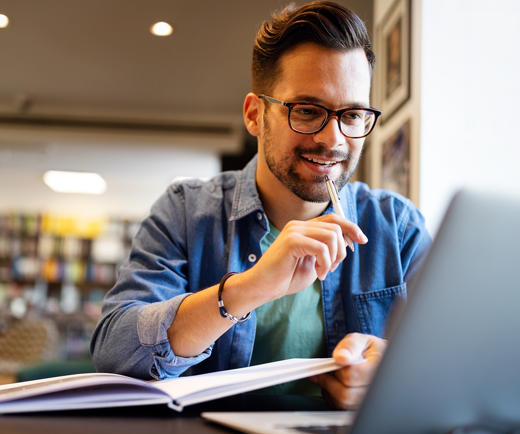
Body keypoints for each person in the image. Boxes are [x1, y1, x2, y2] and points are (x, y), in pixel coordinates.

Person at [91, 1, 431, 410]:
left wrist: (391, 373)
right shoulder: (185, 211)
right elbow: (114, 349)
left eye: (353, 114)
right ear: (255, 115)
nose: (333, 139)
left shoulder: (397, 226)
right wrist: (247, 288)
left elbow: (459, 363)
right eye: (307, 111)